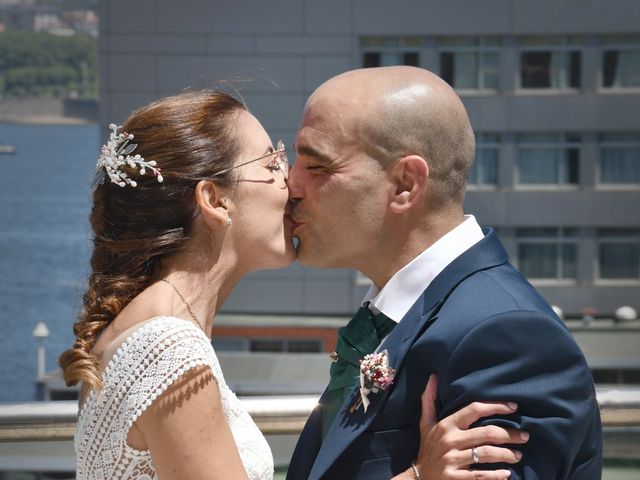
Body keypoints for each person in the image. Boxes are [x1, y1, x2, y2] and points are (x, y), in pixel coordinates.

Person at [59, 90, 527, 480]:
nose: (291, 182)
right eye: (272, 161)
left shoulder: (142, 326)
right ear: (215, 199)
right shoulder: (168, 347)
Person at [286, 66, 603, 480]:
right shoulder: (408, 314)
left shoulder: (507, 336)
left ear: (405, 184)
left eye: (317, 166)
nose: (291, 184)